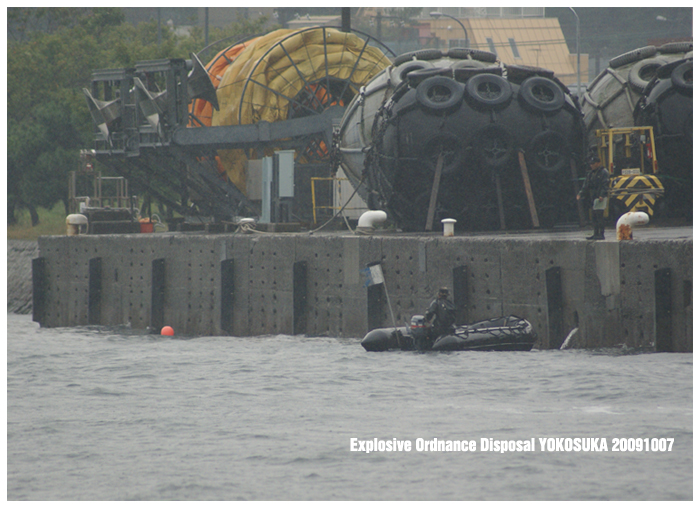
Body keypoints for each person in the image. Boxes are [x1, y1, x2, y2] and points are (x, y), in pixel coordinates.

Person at [577, 154, 610, 240]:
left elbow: (605, 184)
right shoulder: (590, 173)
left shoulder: (604, 172)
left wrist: (602, 195)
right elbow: (586, 185)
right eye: (591, 164)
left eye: (593, 163)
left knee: (599, 215)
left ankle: (601, 234)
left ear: (598, 163)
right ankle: (596, 233)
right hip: (593, 197)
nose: (591, 165)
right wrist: (581, 193)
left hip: (600, 197)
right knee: (594, 216)